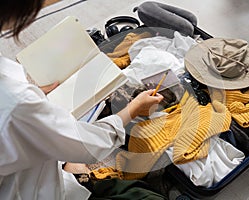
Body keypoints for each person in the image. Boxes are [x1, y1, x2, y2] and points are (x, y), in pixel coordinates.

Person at [0, 1, 164, 200]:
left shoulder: (15, 97)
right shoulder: (17, 103)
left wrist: (36, 93)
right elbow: (86, 145)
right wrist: (133, 109)